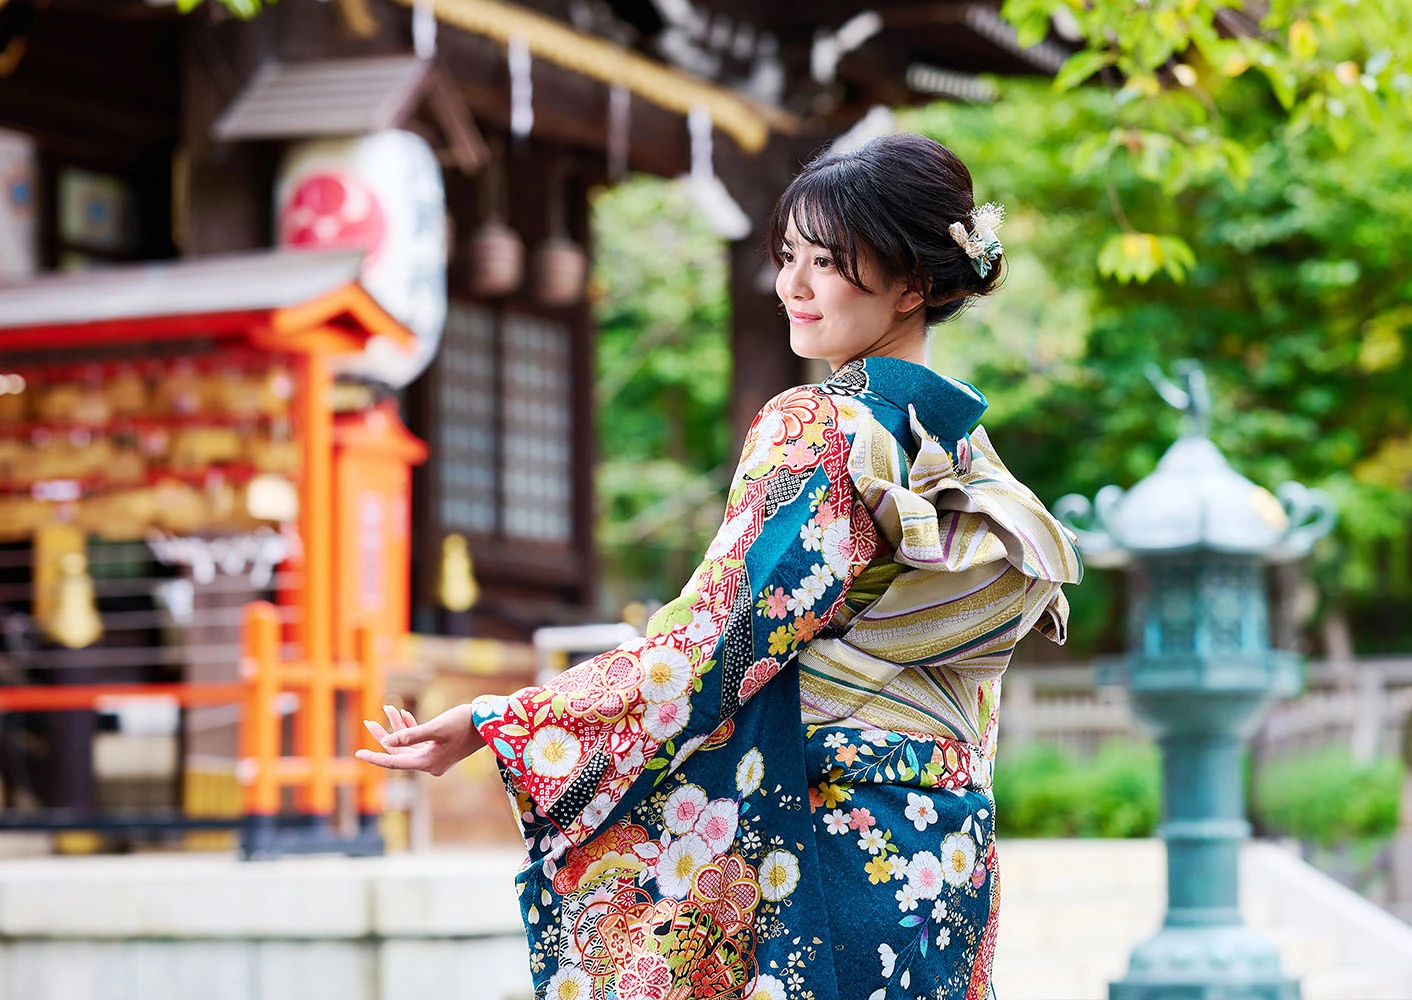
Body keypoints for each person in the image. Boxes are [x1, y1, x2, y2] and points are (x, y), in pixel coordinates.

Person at [357, 133, 1082, 1000]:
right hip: (945, 854)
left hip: (830, 849)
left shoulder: (817, 426)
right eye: (788, 257)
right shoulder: (967, 450)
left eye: (830, 262)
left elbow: (709, 645)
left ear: (912, 285)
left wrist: (503, 720)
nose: (794, 286)